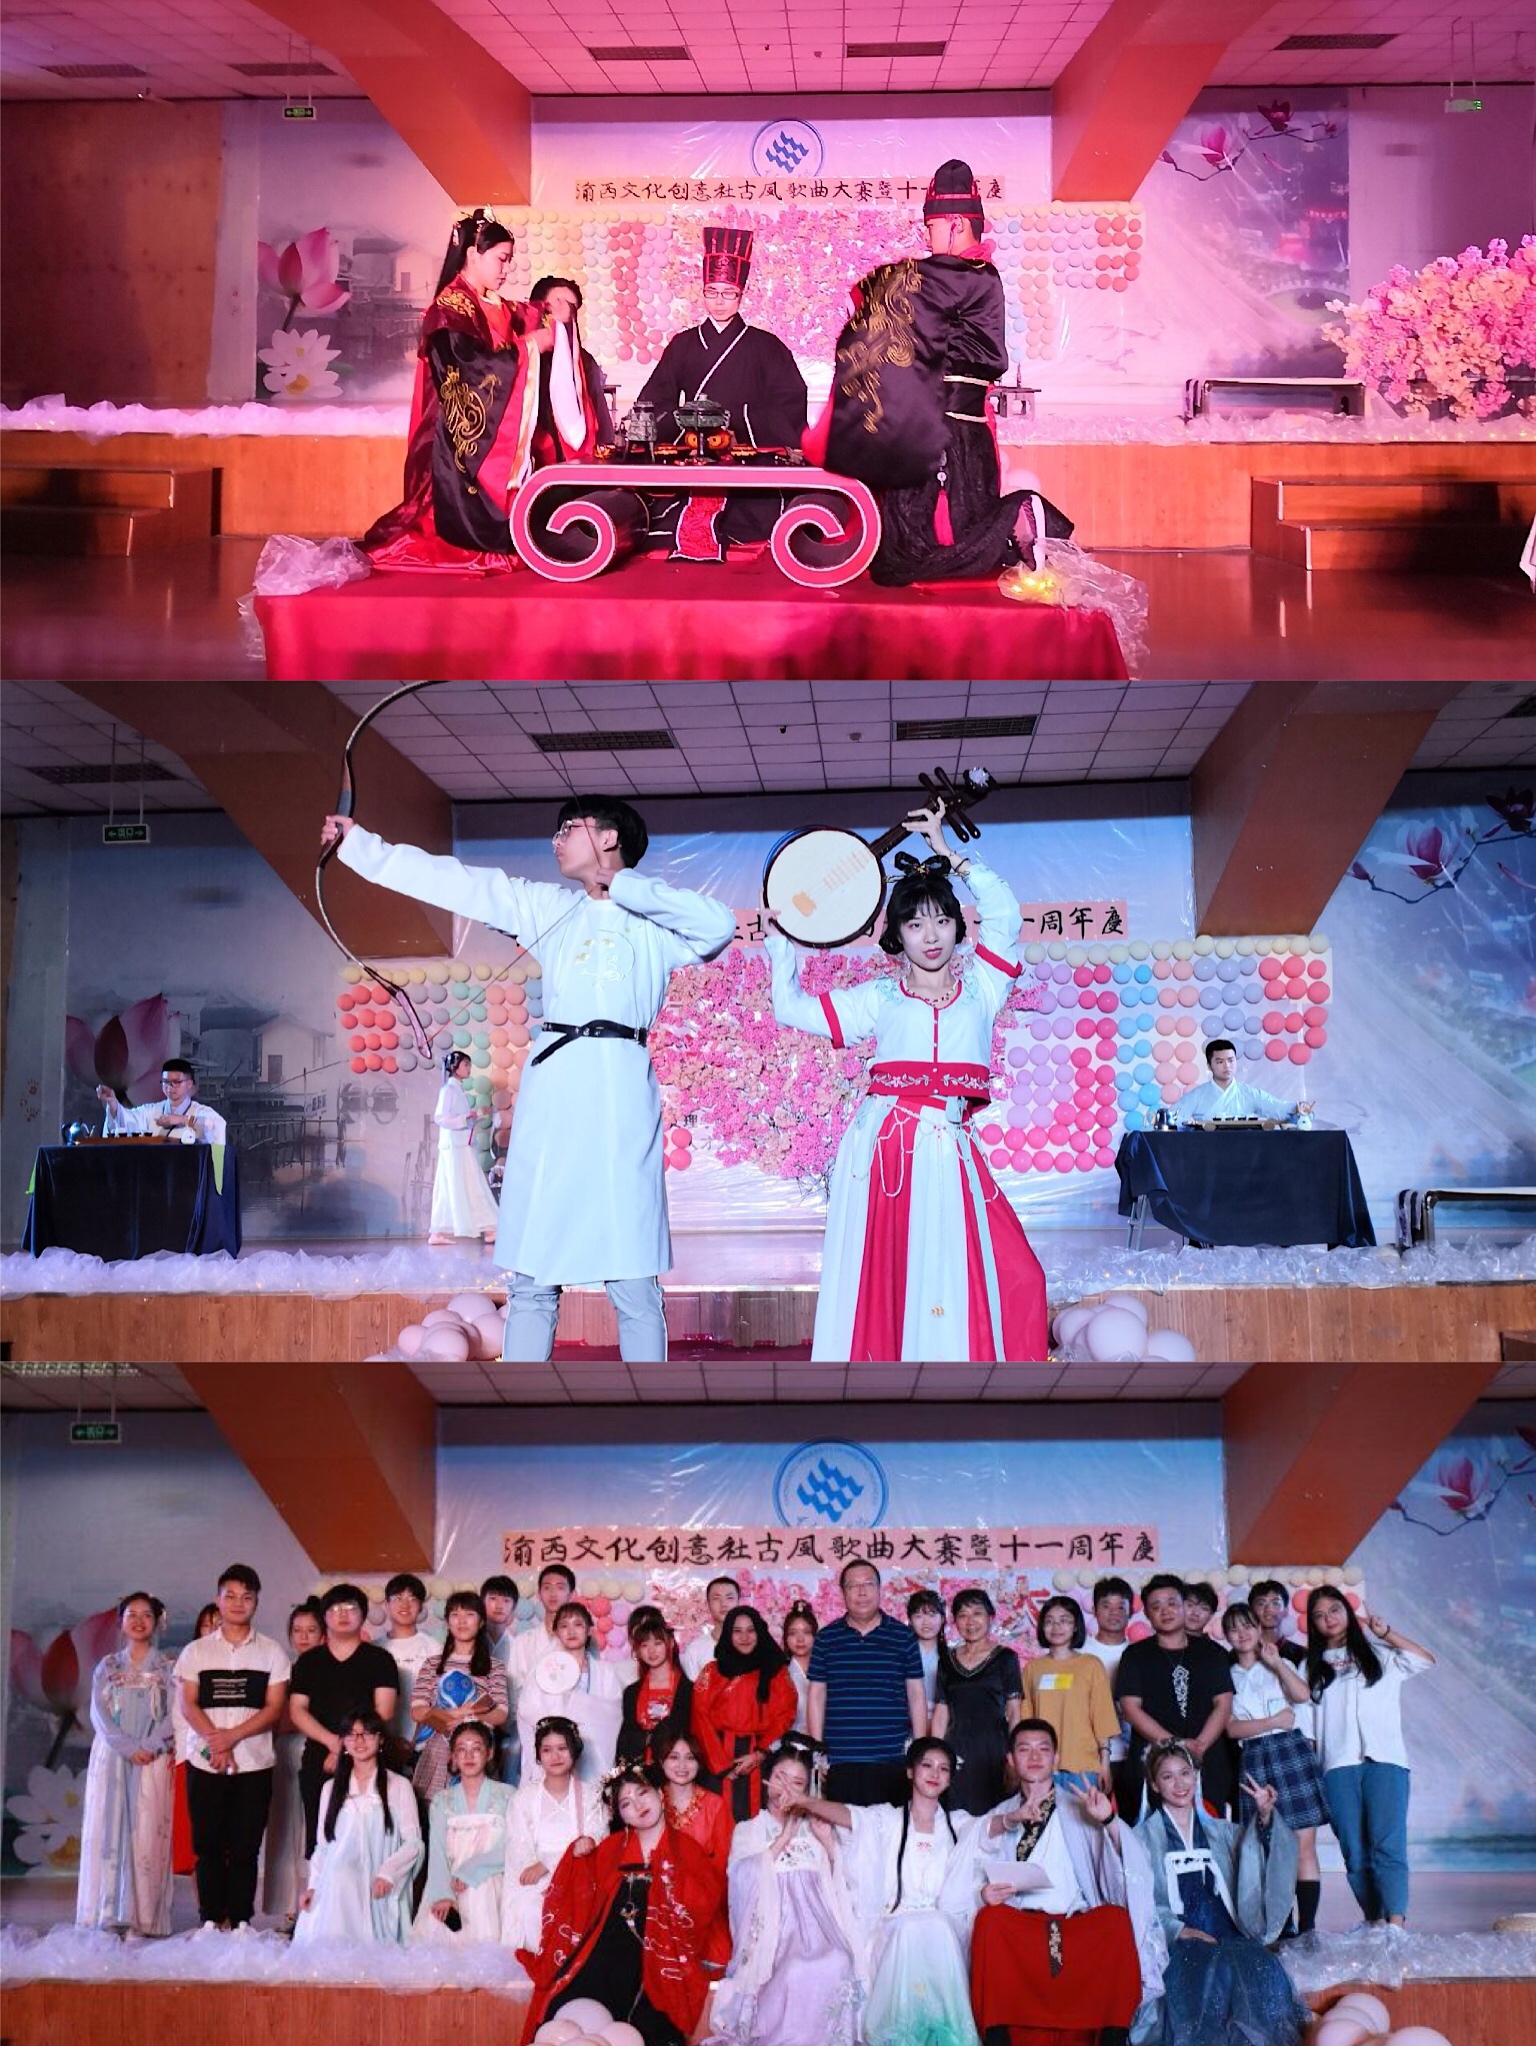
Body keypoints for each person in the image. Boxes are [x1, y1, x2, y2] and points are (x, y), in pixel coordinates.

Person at [322, 799, 736, 1365]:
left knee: (634, 1282)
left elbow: (718, 926)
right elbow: (457, 882)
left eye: (570, 829)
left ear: (609, 838)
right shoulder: (548, 906)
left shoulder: (656, 922)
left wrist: (621, 884)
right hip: (554, 1090)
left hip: (620, 1092)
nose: (556, 840)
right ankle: (519, 1399)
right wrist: (358, 846)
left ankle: (647, 1403)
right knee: (532, 1281)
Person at [766, 801, 1048, 1363]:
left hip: (950, 1143)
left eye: (941, 920)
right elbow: (790, 1008)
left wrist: (950, 854)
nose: (931, 935)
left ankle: (963, 1371)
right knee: (893, 1271)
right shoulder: (879, 997)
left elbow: (1005, 914)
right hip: (886, 1148)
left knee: (1017, 1271)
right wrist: (781, 943)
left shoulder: (984, 987)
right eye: (914, 924)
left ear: (958, 926)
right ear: (896, 934)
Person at [810, 158, 1072, 588]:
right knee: (902, 551)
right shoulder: (970, 277)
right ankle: (1019, 524)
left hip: (948, 432)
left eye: (931, 226)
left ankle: (1023, 514)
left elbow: (888, 290)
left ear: (956, 224)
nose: (926, 236)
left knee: (909, 554)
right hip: (951, 427)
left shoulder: (973, 275)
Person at [362, 208, 553, 572]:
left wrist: (552, 313)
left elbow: (526, 316)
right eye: (501, 259)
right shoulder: (449, 309)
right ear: (472, 254)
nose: (506, 269)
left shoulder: (492, 304)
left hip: (490, 425)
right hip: (454, 429)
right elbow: (467, 368)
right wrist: (529, 346)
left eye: (509, 260)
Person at [968, 1718, 1164, 2046]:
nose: (1034, 1757)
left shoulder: (1081, 1806)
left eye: (1043, 1749)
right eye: (1024, 1749)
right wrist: (985, 1893)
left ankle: (1112, 2034)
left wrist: (1109, 1820)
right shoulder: (1001, 1815)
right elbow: (974, 1871)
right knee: (990, 1920)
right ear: (1011, 1760)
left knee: (1115, 1921)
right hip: (1022, 1928)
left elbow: (1131, 1864)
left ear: (1056, 1758)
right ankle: (998, 2035)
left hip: (1077, 1924)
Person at [787, 1736, 982, 2046]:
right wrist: (806, 1801)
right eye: (927, 1765)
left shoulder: (958, 1824)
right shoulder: (887, 1819)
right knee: (911, 1930)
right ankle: (902, 2033)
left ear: (950, 1779)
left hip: (942, 1921)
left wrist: (1013, 1817)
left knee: (939, 1927)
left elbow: (991, 1827)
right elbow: (850, 1815)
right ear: (910, 1771)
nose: (935, 1773)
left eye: (944, 1768)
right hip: (895, 1920)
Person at [519, 1759, 729, 2046]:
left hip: (658, 1954)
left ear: (660, 1793)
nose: (638, 1805)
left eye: (642, 1793)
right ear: (620, 1814)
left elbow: (704, 1904)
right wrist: (578, 1857)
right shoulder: (611, 1847)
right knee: (564, 2007)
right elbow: (583, 1897)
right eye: (626, 1803)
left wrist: (668, 1882)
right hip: (606, 1953)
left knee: (649, 2025)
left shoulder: (687, 1849)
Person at [637, 226, 809, 557]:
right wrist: (686, 424)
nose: (718, 301)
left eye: (728, 293)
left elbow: (789, 401)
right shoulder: (683, 344)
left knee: (755, 510)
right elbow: (656, 398)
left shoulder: (766, 346)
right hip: (693, 451)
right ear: (702, 293)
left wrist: (737, 422)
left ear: (741, 294)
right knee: (668, 509)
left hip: (748, 455)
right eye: (712, 292)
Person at [1133, 1741, 1308, 2046]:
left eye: (1185, 1773)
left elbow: (1257, 1856)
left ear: (1196, 1776)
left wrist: (1265, 1816)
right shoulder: (1142, 1839)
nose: (1179, 1784)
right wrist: (1179, 1930)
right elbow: (1138, 1899)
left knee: (1259, 1971)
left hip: (1228, 1932)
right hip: (1177, 1938)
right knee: (1197, 1982)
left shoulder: (1222, 1832)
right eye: (1168, 1776)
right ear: (1154, 1784)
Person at [711, 1742, 866, 2046]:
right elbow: (740, 1880)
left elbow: (842, 1880)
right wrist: (782, 1840)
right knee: (794, 1969)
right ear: (767, 1779)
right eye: (780, 1778)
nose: (787, 1789)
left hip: (820, 1925)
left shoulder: (816, 1827)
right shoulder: (749, 1829)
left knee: (839, 1960)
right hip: (775, 1930)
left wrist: (829, 1844)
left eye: (797, 1783)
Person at [1306, 1587, 1434, 1928]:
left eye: (1334, 1610)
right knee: (1354, 1852)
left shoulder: (1381, 1654)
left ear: (1348, 1612)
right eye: (1319, 1615)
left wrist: (1386, 1633)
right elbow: (1309, 1729)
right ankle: (1374, 1920)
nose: (1328, 1619)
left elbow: (1425, 1659)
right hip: (1337, 1767)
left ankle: (1396, 1924)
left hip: (1385, 1760)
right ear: (1313, 1624)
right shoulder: (1310, 1667)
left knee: (1387, 1844)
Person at [173, 1563, 290, 1931]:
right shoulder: (195, 1652)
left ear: (256, 1602)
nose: (239, 1603)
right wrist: (217, 1742)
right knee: (207, 1845)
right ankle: (210, 1919)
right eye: (231, 1596)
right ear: (218, 1600)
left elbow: (274, 1708)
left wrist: (232, 1737)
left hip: (254, 1763)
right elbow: (188, 1704)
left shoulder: (272, 1652)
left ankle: (240, 1920)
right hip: (205, 1761)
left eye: (247, 1597)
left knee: (245, 1846)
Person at [1221, 1602, 1328, 1938]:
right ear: (1226, 1635)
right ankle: (1282, 1924)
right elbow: (1231, 1729)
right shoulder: (1226, 1674)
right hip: (1254, 1756)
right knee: (1266, 1845)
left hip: (1290, 1752)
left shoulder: (1280, 1663)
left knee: (1303, 1846)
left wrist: (1277, 1663)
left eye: (1247, 1626)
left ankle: (1308, 1928)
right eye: (1234, 1628)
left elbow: (1302, 1695)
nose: (1242, 1634)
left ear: (1258, 1629)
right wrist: (1273, 1721)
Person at [77, 1592, 177, 1938]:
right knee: (110, 1829)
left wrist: (149, 1745)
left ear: (157, 1622)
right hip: (113, 1756)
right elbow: (98, 1714)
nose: (138, 1621)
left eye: (146, 1615)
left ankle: (144, 1917)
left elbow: (174, 1714)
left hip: (152, 1757)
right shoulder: (107, 1667)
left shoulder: (166, 1667)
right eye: (131, 1614)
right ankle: (107, 1912)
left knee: (147, 1830)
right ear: (120, 1622)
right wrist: (127, 1747)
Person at [288, 1582, 399, 1855]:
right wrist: (333, 1743)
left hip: (367, 1758)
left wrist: (347, 1748)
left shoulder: (380, 1659)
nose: (343, 1614)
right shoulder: (308, 1662)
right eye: (335, 1609)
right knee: (320, 1840)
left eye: (351, 1608)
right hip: (319, 1759)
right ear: (324, 1616)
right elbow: (297, 1710)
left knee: (369, 1841)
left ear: (363, 1615)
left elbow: (384, 1711)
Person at [294, 1710, 423, 1945]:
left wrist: (388, 1873)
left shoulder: (398, 1786)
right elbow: (323, 1847)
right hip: (337, 1881)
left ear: (380, 1739)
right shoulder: (331, 1789)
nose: (359, 1740)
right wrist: (313, 1886)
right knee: (340, 1878)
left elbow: (413, 1843)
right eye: (352, 1734)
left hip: (378, 1879)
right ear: (343, 1742)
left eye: (367, 1733)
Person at [806, 1562, 927, 1808]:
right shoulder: (826, 1638)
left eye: (868, 1584)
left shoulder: (903, 1636)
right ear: (843, 1593)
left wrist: (919, 1751)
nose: (861, 1592)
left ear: (880, 1589)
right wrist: (818, 1752)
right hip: (841, 1759)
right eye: (853, 1586)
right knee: (844, 1829)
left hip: (892, 1758)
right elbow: (817, 1695)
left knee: (891, 1830)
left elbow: (916, 1694)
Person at [1114, 1576, 1234, 1816]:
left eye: (1172, 1603)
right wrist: (1176, 1746)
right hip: (1153, 1761)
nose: (1165, 1611)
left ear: (1184, 1606)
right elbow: (1130, 1709)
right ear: (1147, 1614)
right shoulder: (1135, 1655)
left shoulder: (1213, 1653)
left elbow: (1223, 1704)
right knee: (1153, 1830)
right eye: (1156, 1606)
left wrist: (1199, 1746)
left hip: (1208, 1759)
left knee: (1210, 1829)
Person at [502, 1715, 599, 1955]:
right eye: (547, 1750)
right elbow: (518, 1846)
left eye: (562, 1748)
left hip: (577, 1878)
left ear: (574, 1751)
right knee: (531, 1911)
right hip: (535, 1882)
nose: (555, 1756)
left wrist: (549, 1864)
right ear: (538, 1755)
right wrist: (541, 1875)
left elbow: (594, 1843)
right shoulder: (523, 1799)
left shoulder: (591, 1796)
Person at [692, 1606, 798, 1821]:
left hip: (761, 1758)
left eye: (751, 1630)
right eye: (737, 1631)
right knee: (717, 1823)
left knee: (760, 1825)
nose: (744, 1637)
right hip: (716, 1759)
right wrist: (722, 1767)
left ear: (760, 1632)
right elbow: (699, 1717)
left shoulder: (775, 1670)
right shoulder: (712, 1671)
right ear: (728, 1634)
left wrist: (760, 1754)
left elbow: (786, 1714)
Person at [412, 1720, 515, 1943]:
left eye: (476, 1748)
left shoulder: (508, 1795)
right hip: (449, 1885)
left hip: (492, 1883)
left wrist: (472, 1870)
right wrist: (442, 1894)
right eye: (461, 1749)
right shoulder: (442, 1800)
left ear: (489, 1753)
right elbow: (437, 1853)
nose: (469, 1756)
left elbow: (512, 1845)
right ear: (453, 1757)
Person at [410, 1591, 510, 1801]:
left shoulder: (495, 1667)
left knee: (479, 1808)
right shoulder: (432, 1664)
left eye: (470, 1614)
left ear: (481, 1622)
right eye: (455, 1615)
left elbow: (500, 1714)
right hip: (437, 1752)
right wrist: (455, 1714)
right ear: (448, 1622)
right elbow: (417, 1711)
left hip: (478, 1748)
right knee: (435, 1808)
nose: (462, 1621)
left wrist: (468, 1719)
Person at [931, 1589, 1022, 1818]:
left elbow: (1014, 1712)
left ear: (991, 1617)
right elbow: (941, 1712)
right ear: (955, 1622)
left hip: (994, 1749)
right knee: (955, 1813)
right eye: (963, 1615)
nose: (970, 1621)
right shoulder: (946, 1660)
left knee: (994, 1815)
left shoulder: (1006, 1658)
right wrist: (934, 1754)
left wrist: (1014, 1756)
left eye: (977, 1613)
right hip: (956, 1747)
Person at [515, 1599, 625, 1787]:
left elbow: (613, 1714)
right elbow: (527, 1710)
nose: (571, 1631)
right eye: (564, 1626)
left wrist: (577, 1704)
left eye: (578, 1625)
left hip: (593, 1752)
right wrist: (559, 1727)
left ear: (589, 1630)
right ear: (556, 1632)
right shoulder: (542, 1671)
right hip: (555, 1750)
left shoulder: (605, 1672)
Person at [263, 1600, 325, 1927]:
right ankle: (288, 1907)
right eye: (297, 1630)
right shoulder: (282, 1671)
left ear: (323, 1633)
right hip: (282, 1753)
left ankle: (314, 1903)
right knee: (285, 1827)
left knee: (312, 1829)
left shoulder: (328, 1670)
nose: (303, 1637)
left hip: (316, 1752)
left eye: (311, 1630)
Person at [1022, 1595, 1120, 1795]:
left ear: (1075, 1626)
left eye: (1064, 1620)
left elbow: (1101, 1717)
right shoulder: (1032, 1668)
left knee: (1084, 1816)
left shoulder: (1091, 1665)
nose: (1056, 1627)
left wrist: (1105, 1764)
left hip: (1083, 1767)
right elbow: (1025, 1721)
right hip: (1042, 1766)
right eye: (1049, 1621)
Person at [529, 275, 614, 465]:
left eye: (572, 306)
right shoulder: (522, 353)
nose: (566, 311)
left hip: (574, 461)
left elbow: (599, 415)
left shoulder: (584, 362)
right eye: (558, 302)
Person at [170, 1601, 220, 1889]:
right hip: (190, 1761)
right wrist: (209, 1750)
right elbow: (182, 1721)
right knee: (197, 1845)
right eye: (206, 1625)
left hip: (232, 1762)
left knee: (227, 1841)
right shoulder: (186, 1666)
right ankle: (207, 1910)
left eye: (218, 1624)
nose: (212, 1630)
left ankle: (227, 1909)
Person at [428, 1050, 499, 1245]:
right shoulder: (448, 1090)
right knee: (468, 1184)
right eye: (465, 1065)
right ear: (454, 1067)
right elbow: (440, 1117)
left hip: (459, 1145)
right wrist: (465, 1117)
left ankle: (439, 1232)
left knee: (460, 1185)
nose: (469, 1068)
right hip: (454, 1146)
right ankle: (488, 1228)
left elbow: (461, 1120)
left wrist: (476, 1114)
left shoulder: (458, 1091)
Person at [1082, 1577, 1138, 1822]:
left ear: (1131, 1611)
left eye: (1120, 1607)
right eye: (1106, 1606)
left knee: (1131, 1824)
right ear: (1094, 1610)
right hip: (1090, 1756)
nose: (1114, 1613)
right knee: (1089, 1825)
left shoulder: (1140, 1654)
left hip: (1132, 1755)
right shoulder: (1080, 1654)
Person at [1175, 1040, 1312, 1124]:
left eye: (1231, 1060)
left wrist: (1297, 1108)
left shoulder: (1250, 1093)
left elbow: (1277, 1108)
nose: (1227, 1066)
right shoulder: (1197, 1095)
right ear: (1209, 1066)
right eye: (1220, 1062)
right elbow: (1174, 1117)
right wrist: (1189, 1125)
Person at [618, 1615, 693, 1767]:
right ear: (638, 1650)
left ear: (671, 1643)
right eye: (644, 1645)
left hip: (678, 1769)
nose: (651, 1651)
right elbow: (625, 1740)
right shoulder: (631, 1692)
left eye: (658, 1643)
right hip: (639, 1769)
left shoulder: (689, 1690)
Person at [97, 1058, 227, 1144]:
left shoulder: (200, 1111)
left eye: (176, 1082)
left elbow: (218, 1126)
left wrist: (182, 1119)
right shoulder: (152, 1111)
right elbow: (127, 1119)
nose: (170, 1087)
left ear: (189, 1084)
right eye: (166, 1082)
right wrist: (112, 1102)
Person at [657, 1728, 735, 1864]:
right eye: (674, 1757)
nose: (682, 1765)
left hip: (705, 1876)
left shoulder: (715, 1805)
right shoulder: (652, 1801)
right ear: (661, 1762)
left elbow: (724, 1859)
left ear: (699, 1764)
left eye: (690, 1758)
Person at [682, 1574, 742, 1682]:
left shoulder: (751, 1645)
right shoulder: (695, 1649)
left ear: (739, 1603)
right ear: (708, 1604)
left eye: (729, 1598)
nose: (724, 1604)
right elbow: (692, 1690)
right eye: (716, 1598)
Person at [907, 1590, 947, 1715]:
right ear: (910, 1620)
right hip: (909, 1719)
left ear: (942, 1619)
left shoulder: (952, 1656)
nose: (926, 1622)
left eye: (932, 1615)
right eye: (918, 1616)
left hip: (943, 1720)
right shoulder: (903, 1654)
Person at [1250, 1580, 1306, 1668]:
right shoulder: (1240, 1653)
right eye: (1261, 1604)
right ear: (1251, 1611)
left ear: (1286, 1611)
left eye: (1275, 1603)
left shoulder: (1301, 1654)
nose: (1269, 1609)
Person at [783, 1601, 819, 1733]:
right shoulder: (780, 1676)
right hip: (791, 1743)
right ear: (786, 1638)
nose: (800, 1639)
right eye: (793, 1633)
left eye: (807, 1632)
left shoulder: (826, 1672)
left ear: (815, 1636)